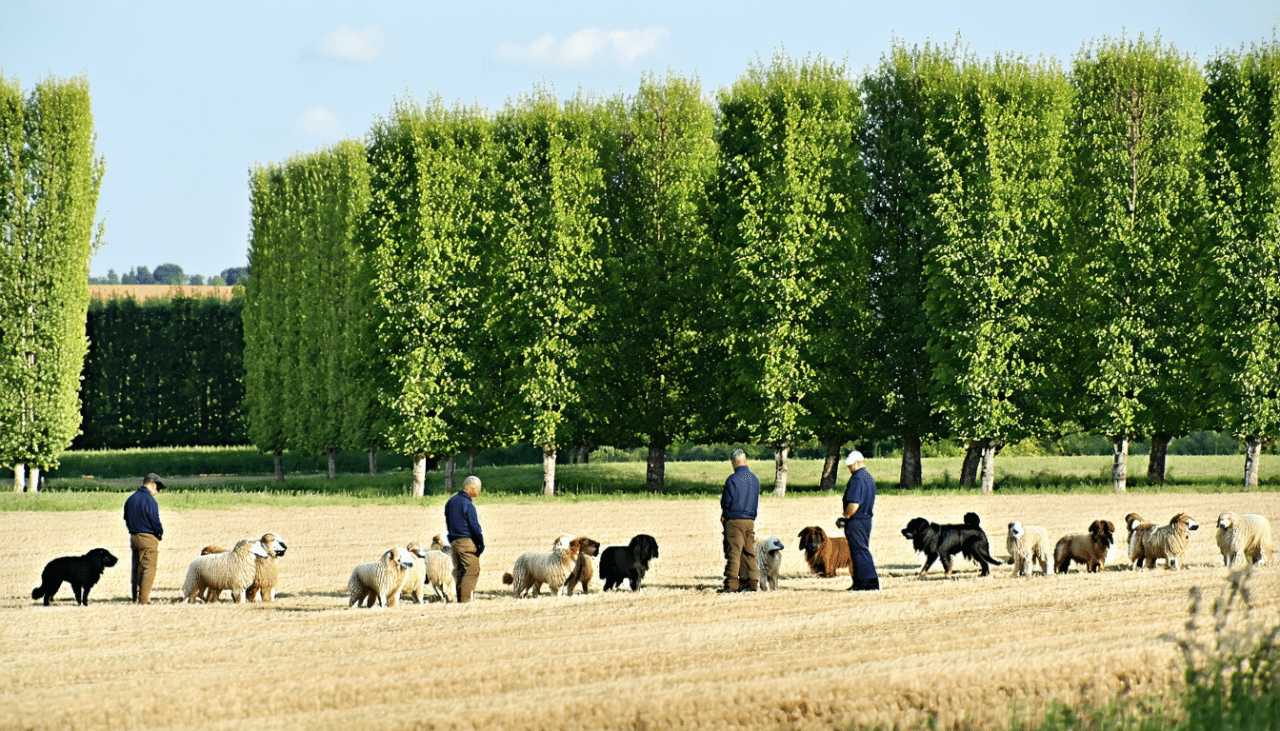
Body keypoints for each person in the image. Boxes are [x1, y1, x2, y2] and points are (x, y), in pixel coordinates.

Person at [720, 448, 759, 593]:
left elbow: (726, 502)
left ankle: (731, 585)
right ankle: (751, 583)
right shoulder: (754, 479)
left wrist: (724, 515)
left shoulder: (732, 479)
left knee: (734, 553)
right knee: (749, 552)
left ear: (735, 462)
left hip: (734, 520)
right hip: (750, 521)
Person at [123, 472, 165, 604]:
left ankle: (135, 597)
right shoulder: (150, 500)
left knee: (136, 568)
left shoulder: (130, 499)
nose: (157, 491)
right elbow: (155, 521)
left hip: (134, 537)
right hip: (148, 537)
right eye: (158, 487)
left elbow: (126, 517)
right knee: (148, 567)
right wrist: (159, 533)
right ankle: (144, 600)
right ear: (152, 483)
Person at [842, 450, 880, 591]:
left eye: (850, 465)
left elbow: (854, 504)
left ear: (858, 463)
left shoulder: (857, 479)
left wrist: (845, 517)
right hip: (866, 520)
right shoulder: (868, 477)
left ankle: (869, 581)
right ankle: (859, 582)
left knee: (859, 551)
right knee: (859, 550)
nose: (849, 468)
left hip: (856, 520)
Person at [445, 475, 485, 603]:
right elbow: (474, 526)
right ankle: (465, 601)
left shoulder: (451, 501)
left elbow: (448, 521)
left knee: (460, 571)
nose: (479, 491)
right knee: (472, 570)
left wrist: (452, 538)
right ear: (470, 487)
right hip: (466, 541)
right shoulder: (468, 503)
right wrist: (480, 543)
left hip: (454, 542)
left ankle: (460, 600)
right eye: (478, 488)